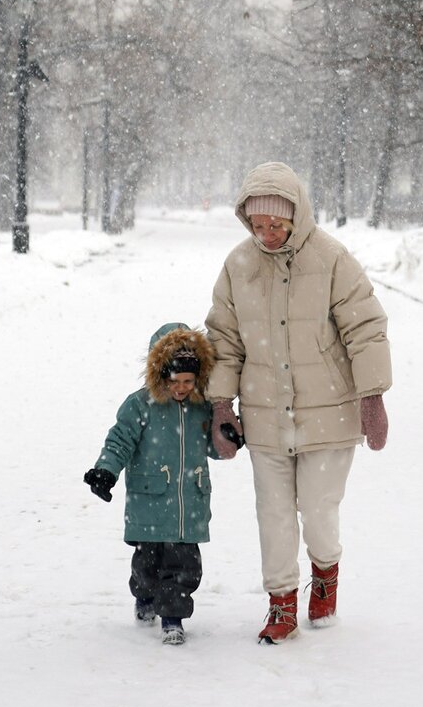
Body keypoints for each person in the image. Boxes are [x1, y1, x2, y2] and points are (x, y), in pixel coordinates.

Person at [205, 162, 391, 644]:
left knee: (318, 506)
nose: (266, 233)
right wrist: (221, 405)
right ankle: (281, 603)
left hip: (328, 413)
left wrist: (372, 397)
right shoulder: (238, 265)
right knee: (273, 512)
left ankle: (325, 573)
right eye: (257, 224)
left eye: (276, 224)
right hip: (265, 415)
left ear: (296, 216)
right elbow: (224, 339)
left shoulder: (331, 259)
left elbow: (365, 327)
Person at [83, 323, 218, 646]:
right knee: (147, 568)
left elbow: (215, 449)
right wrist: (106, 470)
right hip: (149, 504)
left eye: (189, 381)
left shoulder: (203, 407)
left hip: (189, 505)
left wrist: (229, 437)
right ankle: (144, 598)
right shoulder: (140, 405)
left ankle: (173, 618)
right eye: (176, 381)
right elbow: (120, 441)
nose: (183, 388)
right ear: (161, 375)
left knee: (184, 569)